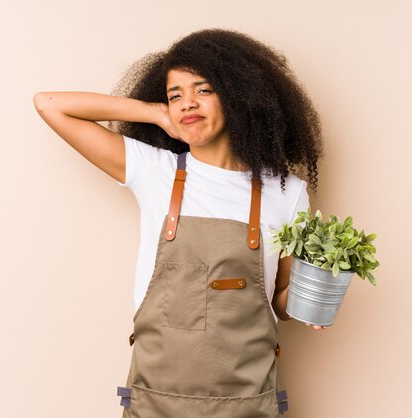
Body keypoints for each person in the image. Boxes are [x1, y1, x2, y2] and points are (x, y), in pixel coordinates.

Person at [34, 28, 325, 418]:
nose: (188, 103)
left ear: (238, 94)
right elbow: (50, 104)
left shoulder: (287, 193)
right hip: (156, 402)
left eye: (203, 90)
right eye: (176, 95)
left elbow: (282, 299)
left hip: (246, 404)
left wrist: (318, 294)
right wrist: (154, 112)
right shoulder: (155, 171)